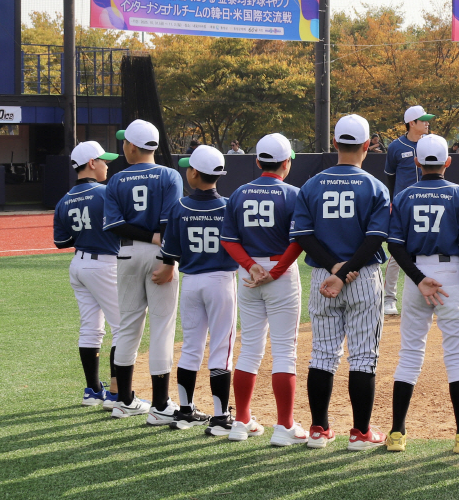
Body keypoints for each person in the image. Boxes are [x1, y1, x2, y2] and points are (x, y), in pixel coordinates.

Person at [291, 114, 391, 450]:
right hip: (362, 275)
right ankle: (360, 434)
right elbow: (376, 237)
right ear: (367, 145)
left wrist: (334, 268)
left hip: (324, 276)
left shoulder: (311, 185)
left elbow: (303, 235)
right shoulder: (375, 186)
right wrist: (347, 270)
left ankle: (318, 430)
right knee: (362, 356)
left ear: (335, 143)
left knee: (322, 354)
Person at [384, 134, 459, 454]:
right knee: (456, 355)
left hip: (417, 276)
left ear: (416, 162)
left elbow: (394, 245)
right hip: (450, 274)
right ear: (447, 162)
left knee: (410, 354)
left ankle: (396, 434)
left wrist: (417, 278)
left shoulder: (404, 196)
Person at [219, 133, 307, 445]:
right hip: (279, 274)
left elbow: (228, 240)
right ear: (287, 162)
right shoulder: (294, 194)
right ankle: (284, 427)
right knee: (284, 351)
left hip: (249, 275)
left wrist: (249, 265)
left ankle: (241, 422)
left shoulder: (239, 193)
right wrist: (276, 271)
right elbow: (300, 239)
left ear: (257, 161)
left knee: (250, 350)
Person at [103, 119, 184, 420]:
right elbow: (169, 223)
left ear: (133, 147)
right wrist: (168, 259)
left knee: (127, 326)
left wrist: (149, 237)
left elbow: (114, 225)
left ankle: (124, 401)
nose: (123, 146)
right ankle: (160, 405)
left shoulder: (116, 179)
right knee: (162, 326)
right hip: (161, 253)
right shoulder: (169, 175)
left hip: (126, 253)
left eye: (125, 142)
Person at [158, 146, 236, 430]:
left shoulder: (180, 207)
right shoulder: (229, 205)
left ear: (193, 173)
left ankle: (185, 410)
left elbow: (170, 253)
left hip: (191, 281)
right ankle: (220, 416)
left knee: (191, 346)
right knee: (221, 348)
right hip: (221, 281)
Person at [53, 141, 122, 410]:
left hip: (79, 264)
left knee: (90, 329)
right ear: (91, 163)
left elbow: (61, 241)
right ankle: (117, 393)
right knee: (123, 328)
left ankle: (93, 391)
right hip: (104, 265)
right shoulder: (106, 193)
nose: (107, 165)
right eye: (103, 160)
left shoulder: (64, 200)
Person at [382, 105, 436, 317]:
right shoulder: (396, 146)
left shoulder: (432, 143)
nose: (427, 123)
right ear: (411, 123)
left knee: (431, 250)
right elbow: (390, 176)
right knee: (397, 253)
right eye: (423, 120)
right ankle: (389, 299)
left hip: (429, 205)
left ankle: (431, 293)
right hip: (404, 207)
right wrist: (397, 200)